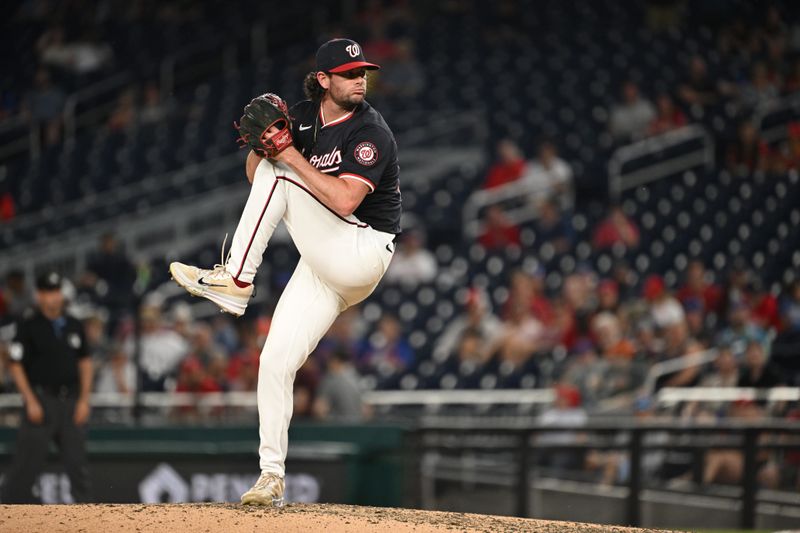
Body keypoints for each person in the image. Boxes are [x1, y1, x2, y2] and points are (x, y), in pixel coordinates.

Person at [169, 38, 400, 507]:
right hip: (322, 264)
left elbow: (344, 200)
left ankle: (235, 281)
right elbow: (257, 174)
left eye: (363, 73)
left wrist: (286, 155)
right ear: (323, 80)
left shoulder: (371, 130)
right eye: (350, 72)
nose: (360, 80)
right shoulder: (301, 116)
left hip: (362, 248)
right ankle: (271, 477)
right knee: (274, 362)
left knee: (283, 168)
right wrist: (262, 145)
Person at [1, 272, 93, 503]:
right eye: (47, 292)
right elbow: (15, 364)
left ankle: (90, 520)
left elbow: (85, 362)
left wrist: (83, 399)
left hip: (70, 401)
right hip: (42, 400)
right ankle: (9, 517)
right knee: (24, 467)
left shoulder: (74, 324)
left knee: (78, 465)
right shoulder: (28, 325)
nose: (52, 297)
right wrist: (30, 400)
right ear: (39, 295)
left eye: (55, 291)